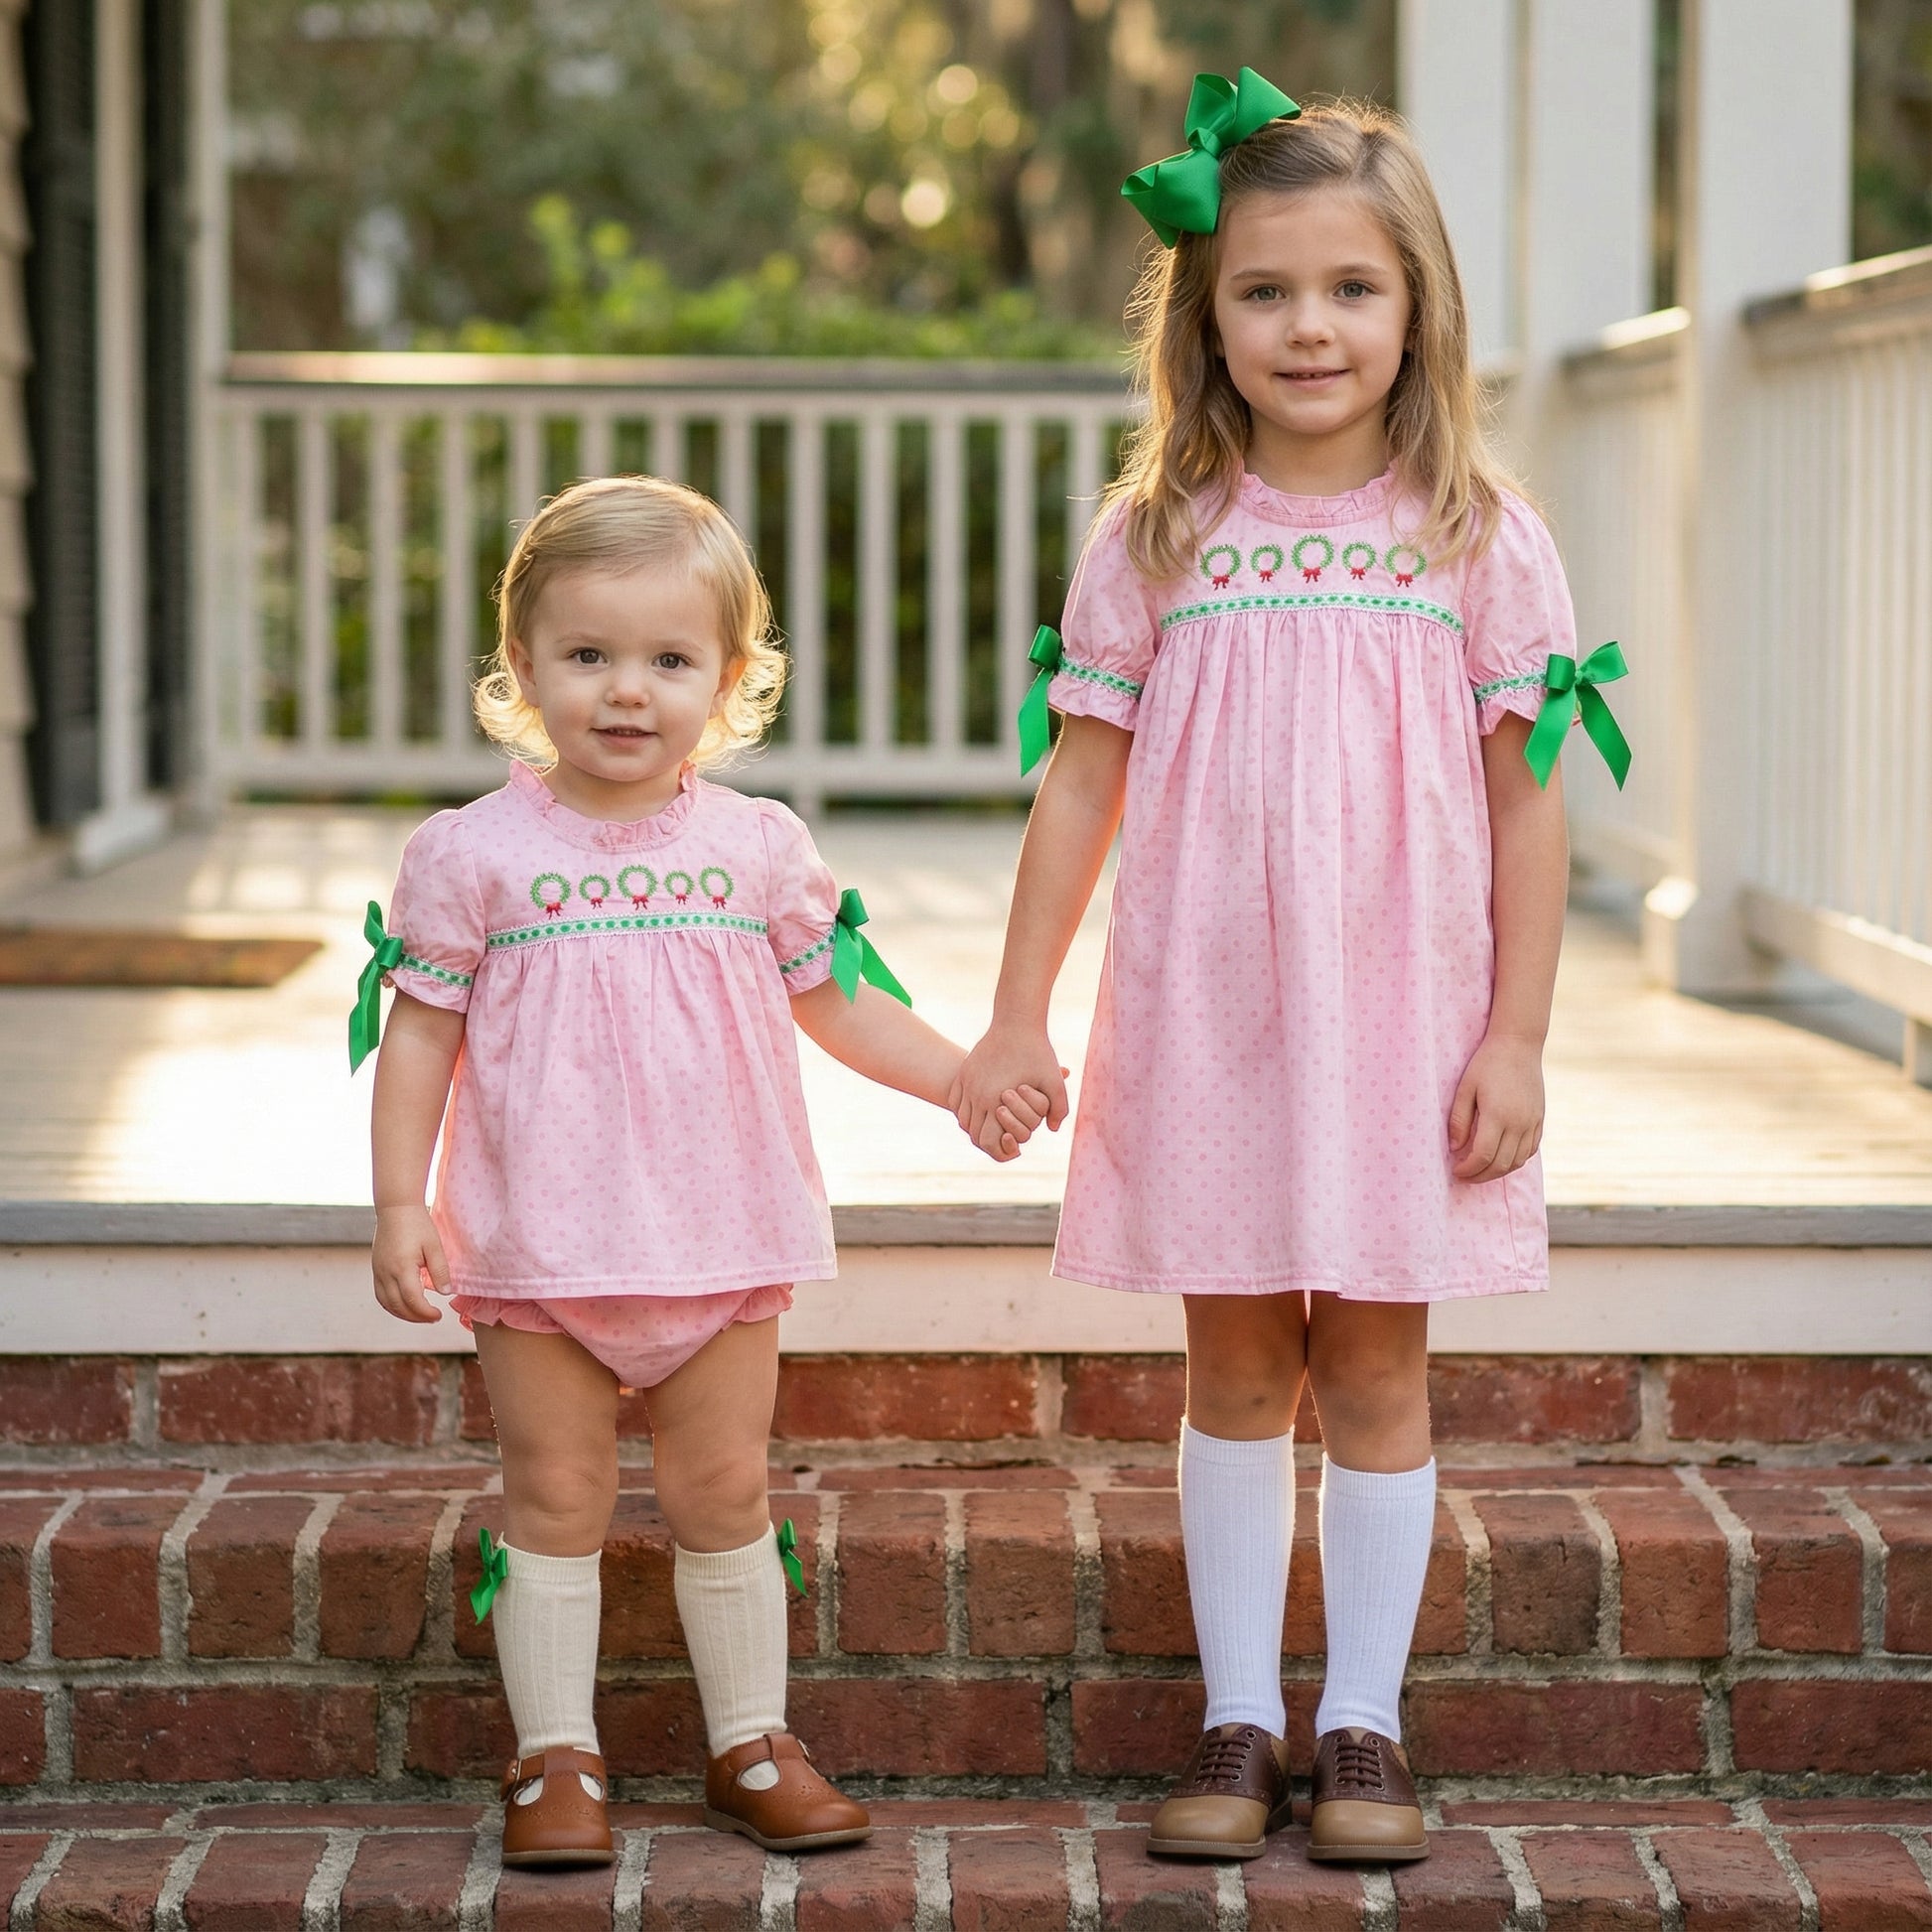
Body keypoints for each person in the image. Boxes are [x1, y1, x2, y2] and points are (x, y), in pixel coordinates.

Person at [955, 74, 1625, 1864]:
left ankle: (1366, 1724)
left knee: (1382, 1368)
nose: (1307, 325)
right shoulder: (1156, 535)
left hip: (1404, 1020)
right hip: (1212, 1012)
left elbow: (1530, 809)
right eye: (1264, 292)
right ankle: (1240, 1714)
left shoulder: (1475, 532)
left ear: (1417, 310)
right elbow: (1077, 777)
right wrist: (1018, 1009)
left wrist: (1521, 1035)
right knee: (1235, 1362)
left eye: (1349, 288)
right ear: (1205, 318)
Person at [357, 475, 1046, 1870]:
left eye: (669, 660)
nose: (627, 691)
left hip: (723, 1232)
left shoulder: (754, 846)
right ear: (521, 669)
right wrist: (396, 1204)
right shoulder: (471, 856)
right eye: (588, 655)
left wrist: (966, 1070)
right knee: (553, 1495)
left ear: (728, 680)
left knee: (723, 1486)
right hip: (539, 1243)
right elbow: (419, 1038)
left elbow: (837, 1003)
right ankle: (554, 1755)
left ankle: (749, 1739)